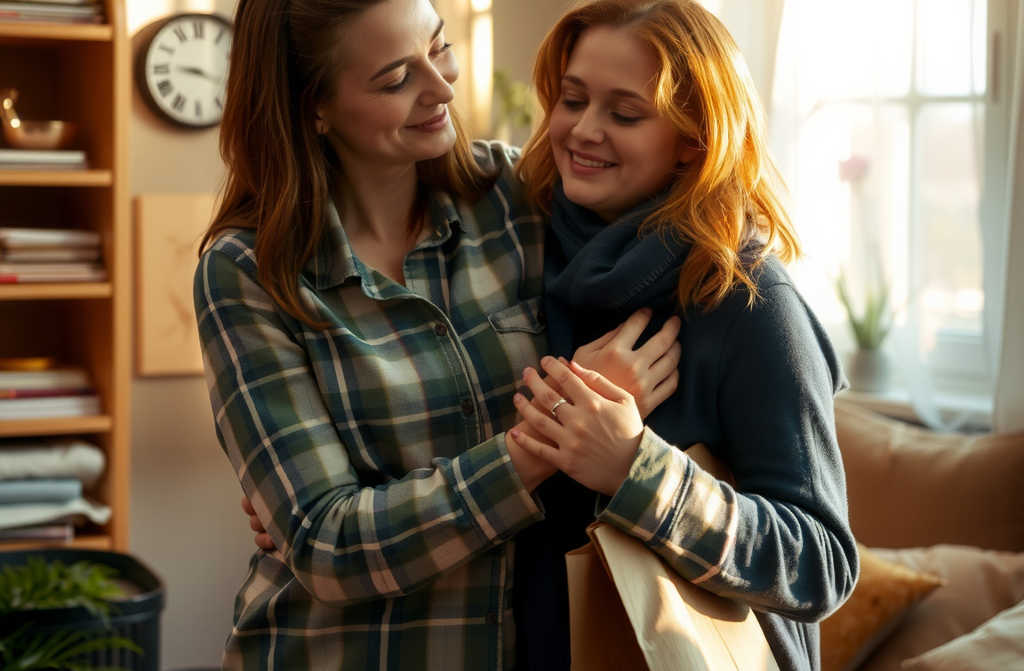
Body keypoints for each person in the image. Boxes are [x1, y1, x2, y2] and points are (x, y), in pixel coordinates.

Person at [194, 0, 683, 668]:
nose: (442, 87)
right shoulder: (248, 270)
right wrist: (557, 426)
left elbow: (691, 211)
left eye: (438, 46)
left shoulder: (520, 197)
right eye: (397, 79)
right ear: (314, 107)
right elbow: (327, 547)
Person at [502, 2, 859, 670]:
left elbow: (821, 563)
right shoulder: (523, 251)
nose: (583, 129)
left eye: (624, 114)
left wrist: (635, 467)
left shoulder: (749, 299)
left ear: (695, 139)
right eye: (572, 100)